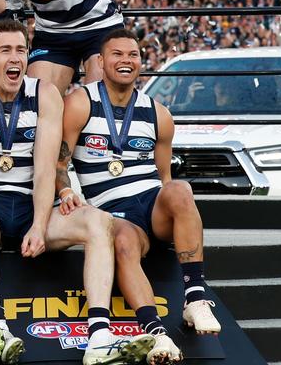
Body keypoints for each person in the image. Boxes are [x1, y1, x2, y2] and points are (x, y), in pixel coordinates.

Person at [0, 15, 153, 365]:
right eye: (4, 51)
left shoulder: (44, 92)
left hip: (31, 204)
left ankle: (100, 336)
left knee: (98, 221)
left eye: (21, 50)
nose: (15, 59)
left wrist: (39, 225)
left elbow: (46, 169)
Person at [60, 29, 221, 364]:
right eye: (117, 54)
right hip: (111, 211)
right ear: (101, 62)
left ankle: (195, 298)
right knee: (121, 241)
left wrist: (177, 219)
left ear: (141, 61)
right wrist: (65, 191)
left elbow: (164, 179)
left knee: (180, 190)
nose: (126, 61)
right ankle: (156, 333)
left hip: (151, 204)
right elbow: (58, 164)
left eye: (132, 55)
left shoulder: (158, 113)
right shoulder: (80, 102)